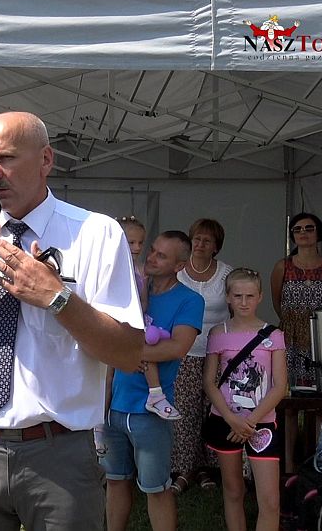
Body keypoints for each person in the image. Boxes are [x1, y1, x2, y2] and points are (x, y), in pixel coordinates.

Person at [0, 111, 144, 531]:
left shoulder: (95, 234)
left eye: (5, 158)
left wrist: (56, 297)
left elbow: (129, 354)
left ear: (46, 160)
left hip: (59, 455)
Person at [103, 230, 203, 531]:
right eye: (153, 250)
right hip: (113, 406)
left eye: (162, 255)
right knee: (115, 481)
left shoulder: (190, 300)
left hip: (151, 412)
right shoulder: (132, 289)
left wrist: (124, 351)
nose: (151, 257)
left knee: (156, 488)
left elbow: (177, 347)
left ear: (180, 266)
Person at [203, 268, 287, 531]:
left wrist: (250, 422)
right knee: (233, 491)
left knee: (270, 501)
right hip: (225, 420)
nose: (243, 302)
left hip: (261, 423)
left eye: (249, 296)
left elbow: (280, 385)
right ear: (228, 297)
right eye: (237, 296)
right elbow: (209, 382)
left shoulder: (273, 335)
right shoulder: (218, 333)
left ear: (260, 297)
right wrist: (231, 418)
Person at [270, 212, 322, 472]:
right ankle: (289, 464)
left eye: (309, 228)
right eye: (298, 229)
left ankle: (317, 462)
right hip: (290, 341)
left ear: (318, 233)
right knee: (290, 404)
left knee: (320, 404)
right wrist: (296, 326)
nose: (303, 233)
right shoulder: (283, 266)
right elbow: (277, 303)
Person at [173, 217, 233, 493]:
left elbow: (235, 313)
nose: (200, 244)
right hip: (183, 352)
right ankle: (184, 469)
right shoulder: (177, 270)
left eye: (207, 241)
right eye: (196, 238)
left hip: (217, 354)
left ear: (216, 247)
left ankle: (209, 468)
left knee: (213, 410)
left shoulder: (226, 274)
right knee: (185, 411)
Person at [118, 215, 179, 421]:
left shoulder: (140, 270)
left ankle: (155, 393)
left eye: (140, 243)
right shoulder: (112, 268)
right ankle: (100, 419)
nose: (137, 247)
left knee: (147, 348)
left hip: (135, 321)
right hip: (116, 323)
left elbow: (143, 301)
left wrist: (139, 318)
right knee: (107, 376)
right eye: (131, 242)